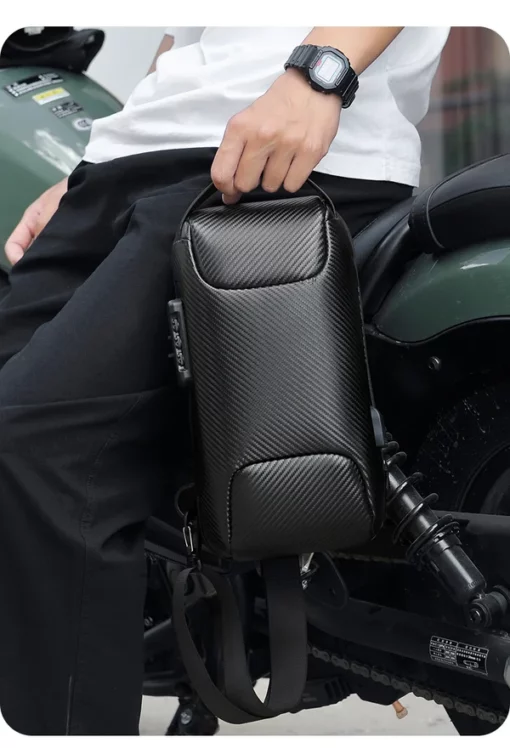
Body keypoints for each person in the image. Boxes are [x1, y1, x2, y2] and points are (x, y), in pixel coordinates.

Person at [0, 26, 449, 735]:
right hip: (131, 164)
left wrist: (319, 75)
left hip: (272, 155)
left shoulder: (310, 87)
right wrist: (102, 160)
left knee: (45, 452)